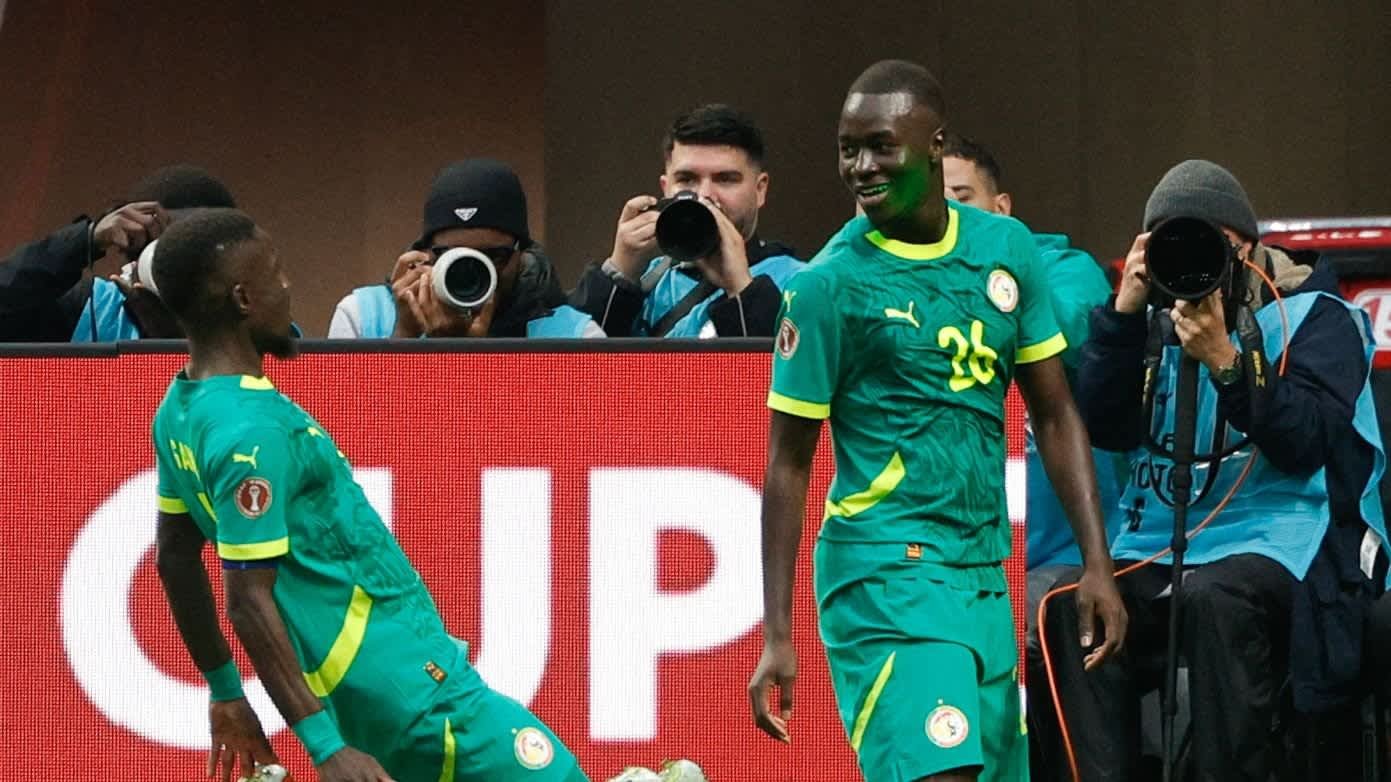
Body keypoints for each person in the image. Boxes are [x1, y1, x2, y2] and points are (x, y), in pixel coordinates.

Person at [746, 60, 1126, 782]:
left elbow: (1052, 413)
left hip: (984, 573)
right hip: (885, 570)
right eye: (846, 148)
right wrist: (776, 629)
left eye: (880, 146)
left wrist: (1097, 566)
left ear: (933, 145)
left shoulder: (1004, 251)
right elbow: (787, 463)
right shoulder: (825, 288)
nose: (859, 167)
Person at [149, 208, 591, 781]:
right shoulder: (251, 431)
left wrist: (226, 693)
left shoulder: (180, 409)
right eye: (275, 274)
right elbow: (246, 599)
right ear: (242, 299)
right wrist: (324, 746)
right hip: (411, 691)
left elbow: (175, 558)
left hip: (364, 692)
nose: (287, 287)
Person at [1042, 160, 1391, 780]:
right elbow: (1109, 428)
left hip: (1288, 546)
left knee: (1215, 598)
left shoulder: (1316, 317)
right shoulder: (1149, 324)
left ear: (1250, 250)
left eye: (1214, 246)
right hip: (1159, 543)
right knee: (1066, 604)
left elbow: (1305, 442)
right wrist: (1121, 319)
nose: (1195, 264)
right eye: (1173, 244)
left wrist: (1229, 362)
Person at [567, 104, 803, 337]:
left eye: (726, 179)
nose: (706, 194)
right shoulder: (647, 278)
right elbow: (573, 369)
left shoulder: (800, 281)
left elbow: (783, 371)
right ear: (666, 188)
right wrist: (618, 273)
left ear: (760, 190)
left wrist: (741, 289)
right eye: (687, 179)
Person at [329, 159, 601, 339]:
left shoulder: (574, 337)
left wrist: (471, 358)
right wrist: (404, 338)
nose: (471, 270)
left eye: (492, 256)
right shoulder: (363, 317)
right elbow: (340, 425)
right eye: (450, 255)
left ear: (522, 253)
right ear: (425, 253)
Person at [0, 164, 236, 341]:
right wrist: (86, 240)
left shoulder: (250, 312)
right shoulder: (93, 308)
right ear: (135, 251)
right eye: (164, 241)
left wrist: (180, 336)